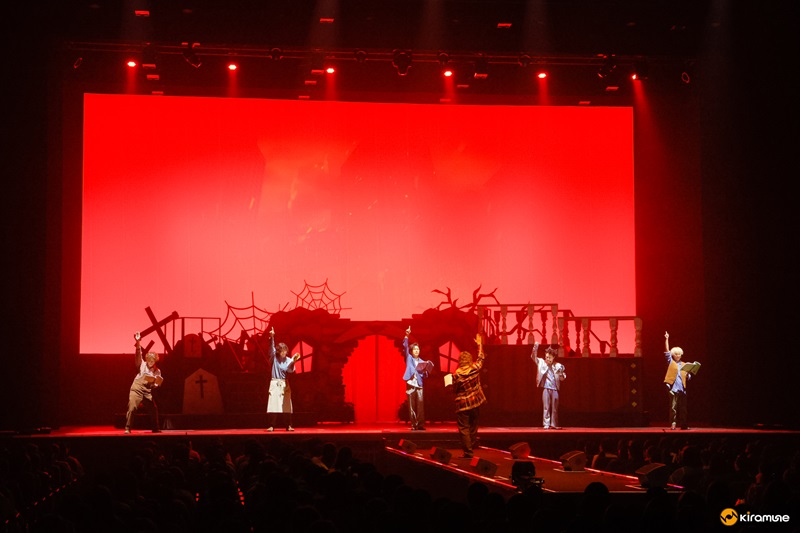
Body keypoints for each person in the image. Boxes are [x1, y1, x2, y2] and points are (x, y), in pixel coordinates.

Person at [449, 333, 486, 458]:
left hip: (462, 405)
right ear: (469, 360)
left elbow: (454, 390)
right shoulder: (474, 368)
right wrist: (480, 345)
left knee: (464, 428)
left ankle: (468, 451)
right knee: (473, 426)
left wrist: (450, 384)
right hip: (475, 402)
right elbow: (481, 358)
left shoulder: (457, 375)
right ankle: (471, 444)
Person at [125, 331, 163, 434]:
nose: (150, 362)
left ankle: (155, 428)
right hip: (136, 389)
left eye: (152, 361)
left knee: (153, 409)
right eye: (149, 360)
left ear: (155, 361)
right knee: (132, 408)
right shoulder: (142, 364)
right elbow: (138, 354)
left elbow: (156, 383)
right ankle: (128, 428)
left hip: (147, 392)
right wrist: (138, 342)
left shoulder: (157, 371)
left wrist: (155, 384)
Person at [266, 327, 300, 431]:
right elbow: (271, 348)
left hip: (284, 383)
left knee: (287, 406)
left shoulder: (289, 360)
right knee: (273, 405)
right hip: (275, 382)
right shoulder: (274, 358)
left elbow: (290, 371)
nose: (284, 352)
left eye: (285, 351)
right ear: (279, 351)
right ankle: (271, 425)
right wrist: (272, 337)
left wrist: (293, 362)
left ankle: (288, 425)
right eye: (282, 351)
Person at [402, 326, 433, 431]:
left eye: (418, 349)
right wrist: (407, 335)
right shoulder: (409, 358)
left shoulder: (422, 361)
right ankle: (413, 424)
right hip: (411, 383)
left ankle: (420, 424)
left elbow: (425, 374)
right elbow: (405, 347)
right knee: (411, 405)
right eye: (414, 349)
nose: (416, 351)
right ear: (411, 351)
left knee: (420, 405)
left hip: (419, 384)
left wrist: (425, 371)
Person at [532, 342, 566, 429]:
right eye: (546, 357)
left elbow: (562, 378)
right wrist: (535, 348)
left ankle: (554, 424)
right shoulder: (542, 363)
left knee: (554, 408)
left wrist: (561, 373)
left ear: (553, 357)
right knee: (546, 407)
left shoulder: (558, 365)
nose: (547, 359)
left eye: (549, 357)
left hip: (554, 389)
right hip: (546, 388)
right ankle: (546, 424)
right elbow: (533, 357)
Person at [664, 331, 691, 430]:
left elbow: (688, 377)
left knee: (683, 408)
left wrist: (688, 375)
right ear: (673, 355)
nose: (678, 355)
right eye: (676, 354)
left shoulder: (684, 364)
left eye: (679, 354)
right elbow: (667, 351)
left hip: (682, 389)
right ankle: (673, 423)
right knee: (673, 407)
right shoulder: (671, 362)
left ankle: (684, 424)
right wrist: (667, 339)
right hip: (673, 388)